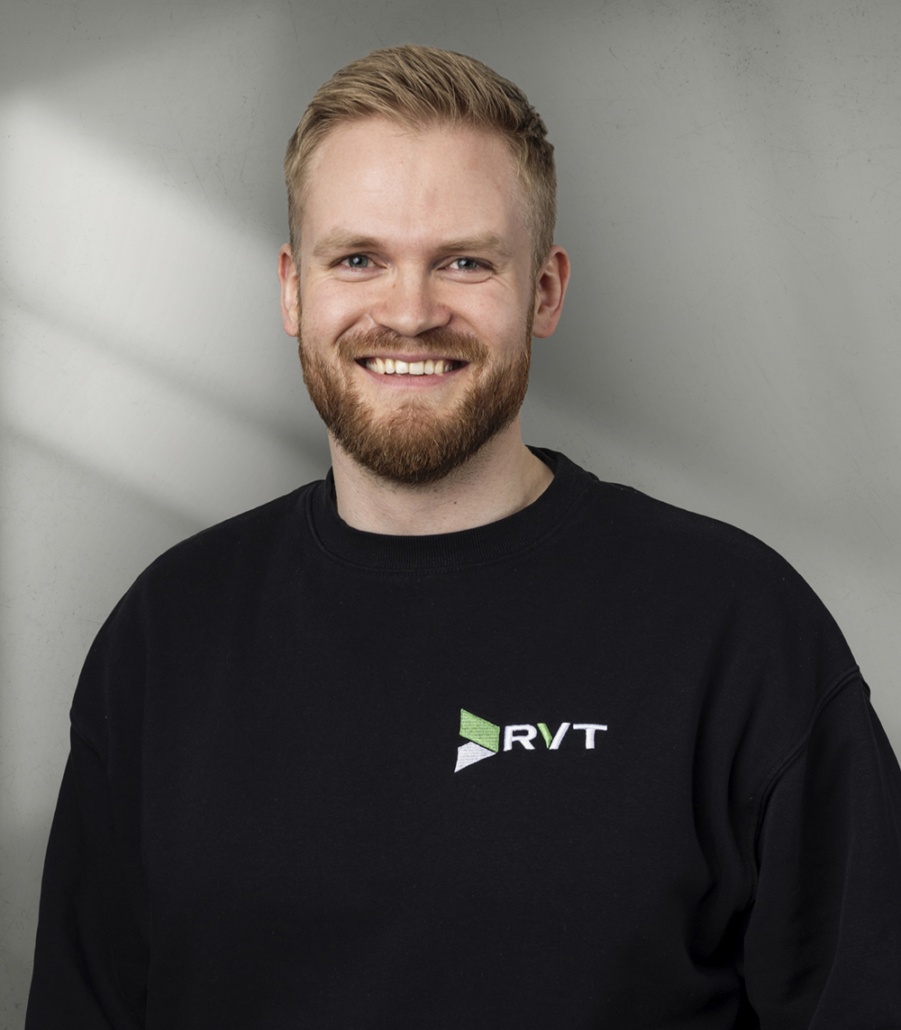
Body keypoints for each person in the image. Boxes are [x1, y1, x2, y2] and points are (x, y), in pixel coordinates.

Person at [26, 44, 901, 1029]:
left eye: (465, 261)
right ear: (292, 289)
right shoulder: (166, 636)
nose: (409, 313)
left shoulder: (734, 628)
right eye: (358, 259)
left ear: (544, 291)